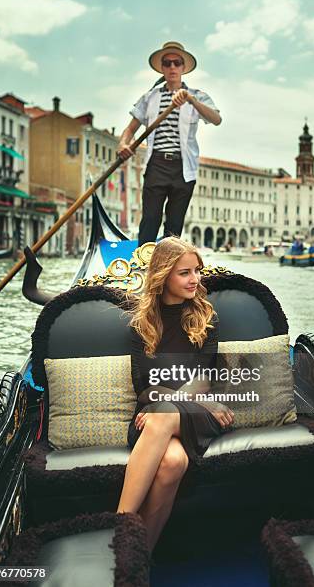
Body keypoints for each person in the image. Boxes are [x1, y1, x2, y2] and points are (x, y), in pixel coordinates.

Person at [116, 236, 234, 555]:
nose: (195, 279)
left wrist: (170, 401)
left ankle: (119, 532)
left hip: (195, 417)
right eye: (185, 273)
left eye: (197, 271)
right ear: (163, 275)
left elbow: (201, 380)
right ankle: (139, 559)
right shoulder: (141, 326)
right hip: (157, 414)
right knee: (172, 463)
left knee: (163, 412)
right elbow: (144, 386)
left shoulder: (207, 319)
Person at [117, 41, 221, 246]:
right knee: (150, 220)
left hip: (184, 167)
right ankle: (143, 265)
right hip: (156, 164)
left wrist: (191, 100)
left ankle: (167, 269)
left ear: (183, 67)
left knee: (174, 225)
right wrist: (123, 144)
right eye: (167, 63)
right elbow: (130, 129)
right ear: (162, 68)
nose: (172, 67)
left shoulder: (197, 96)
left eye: (177, 63)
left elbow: (216, 119)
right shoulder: (149, 98)